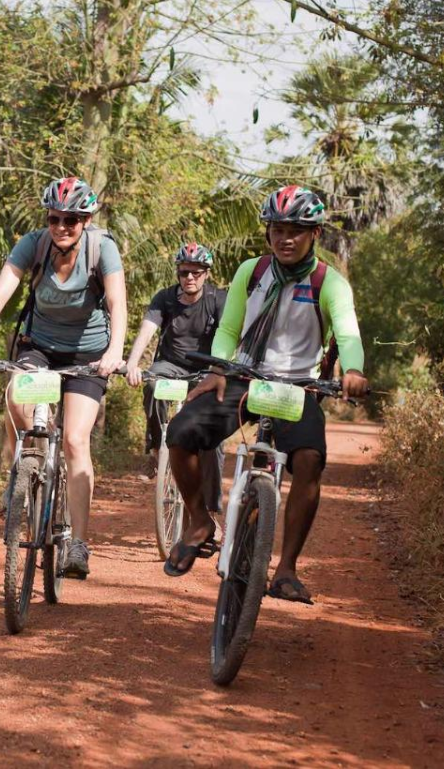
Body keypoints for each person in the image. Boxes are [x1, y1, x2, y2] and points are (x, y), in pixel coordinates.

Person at [162, 185, 369, 604]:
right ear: (267, 233)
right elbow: (228, 328)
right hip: (244, 376)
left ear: (315, 234)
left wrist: (353, 370)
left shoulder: (330, 283)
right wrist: (219, 367)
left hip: (299, 386)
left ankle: (287, 569)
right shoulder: (251, 272)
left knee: (309, 460)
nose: (285, 238)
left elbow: (347, 333)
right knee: (181, 432)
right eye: (277, 229)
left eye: (296, 229)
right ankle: (199, 522)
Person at [0, 177, 127, 579]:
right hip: (39, 345)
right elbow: (3, 290)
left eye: (71, 220)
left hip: (89, 355)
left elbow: (117, 302)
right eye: (55, 219)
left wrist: (115, 352)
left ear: (85, 220)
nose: (62, 227)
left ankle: (78, 544)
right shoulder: (33, 244)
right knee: (18, 397)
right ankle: (24, 466)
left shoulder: (101, 248)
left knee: (73, 439)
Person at [124, 243, 226, 509]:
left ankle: (212, 509)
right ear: (177, 274)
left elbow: (231, 337)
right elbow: (147, 330)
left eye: (196, 272)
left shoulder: (218, 299)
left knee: (212, 441)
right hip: (171, 365)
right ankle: (158, 447)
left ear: (206, 274)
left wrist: (223, 372)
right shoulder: (165, 298)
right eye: (184, 272)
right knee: (152, 382)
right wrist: (132, 364)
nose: (189, 278)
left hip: (207, 371)